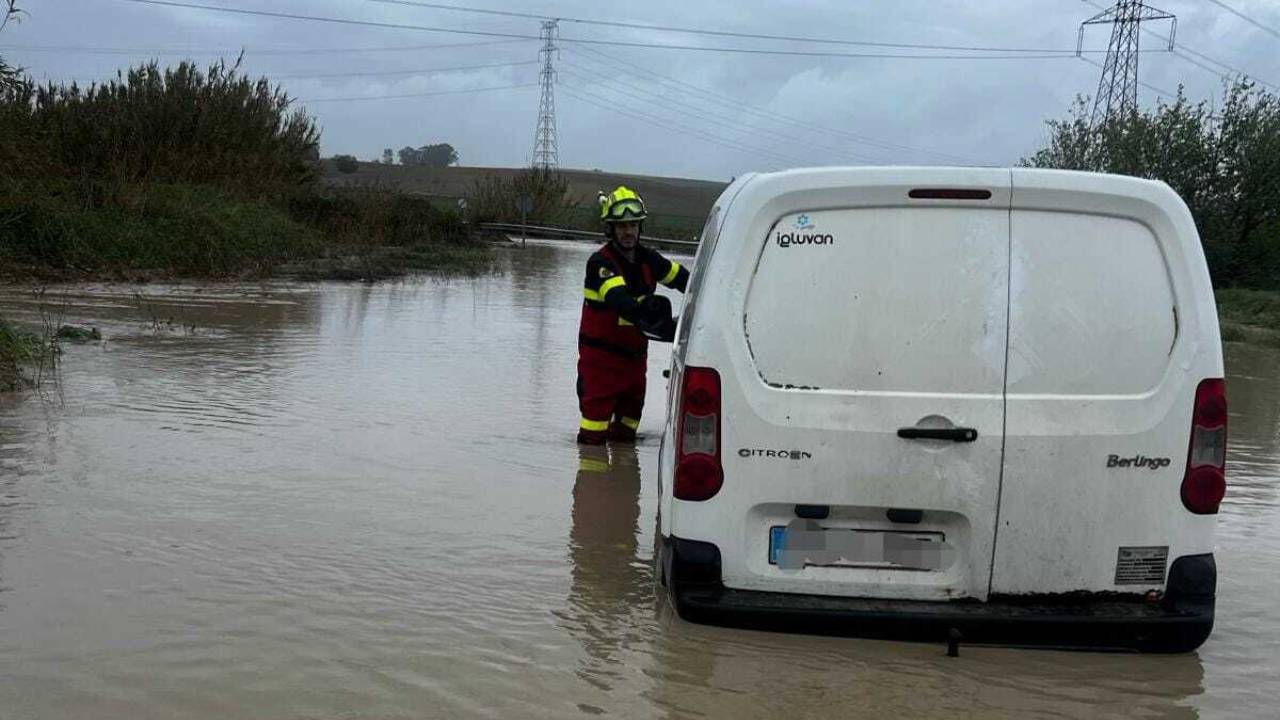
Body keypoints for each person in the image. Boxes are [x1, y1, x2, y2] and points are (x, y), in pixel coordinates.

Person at [576, 186, 689, 445]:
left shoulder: (648, 259)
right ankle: (591, 483)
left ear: (640, 227)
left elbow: (684, 280)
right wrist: (658, 319)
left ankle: (625, 481)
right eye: (622, 226)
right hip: (601, 365)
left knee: (627, 433)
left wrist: (710, 297)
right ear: (611, 229)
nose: (628, 232)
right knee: (592, 438)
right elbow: (620, 301)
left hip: (635, 364)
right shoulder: (600, 263)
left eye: (633, 225)